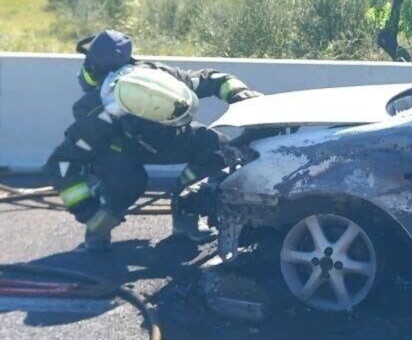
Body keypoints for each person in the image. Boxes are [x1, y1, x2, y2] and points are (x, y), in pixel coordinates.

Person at [47, 30, 261, 251]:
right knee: (127, 181)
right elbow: (62, 163)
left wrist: (239, 94)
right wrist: (89, 212)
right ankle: (100, 227)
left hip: (164, 137)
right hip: (120, 148)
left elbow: (215, 79)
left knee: (215, 146)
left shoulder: (163, 78)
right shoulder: (98, 115)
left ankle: (186, 209)